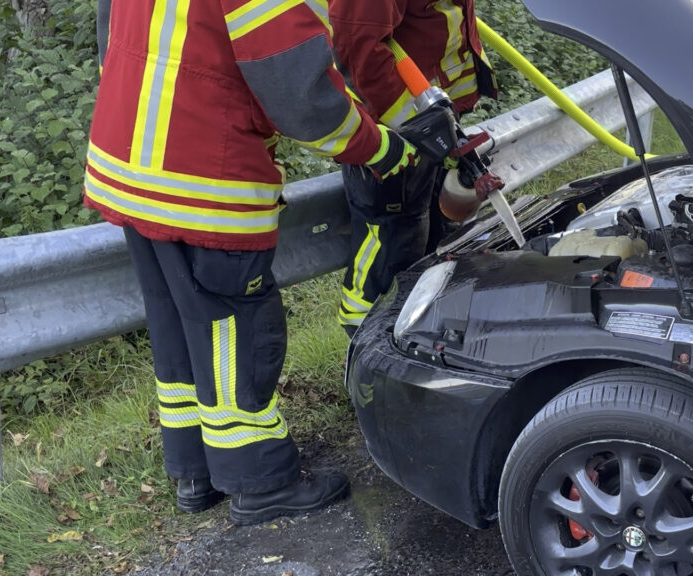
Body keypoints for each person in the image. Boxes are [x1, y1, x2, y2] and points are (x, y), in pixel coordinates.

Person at [84, 0, 417, 525]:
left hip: (126, 163)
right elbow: (299, 90)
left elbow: (114, 40)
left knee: (178, 325)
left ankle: (195, 473)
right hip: (202, 178)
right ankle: (260, 480)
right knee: (236, 331)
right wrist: (378, 148)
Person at [329, 0, 497, 335]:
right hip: (391, 135)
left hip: (431, 121)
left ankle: (422, 338)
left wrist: (441, 124)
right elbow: (356, 47)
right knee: (391, 248)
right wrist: (416, 124)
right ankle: (370, 340)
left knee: (433, 245)